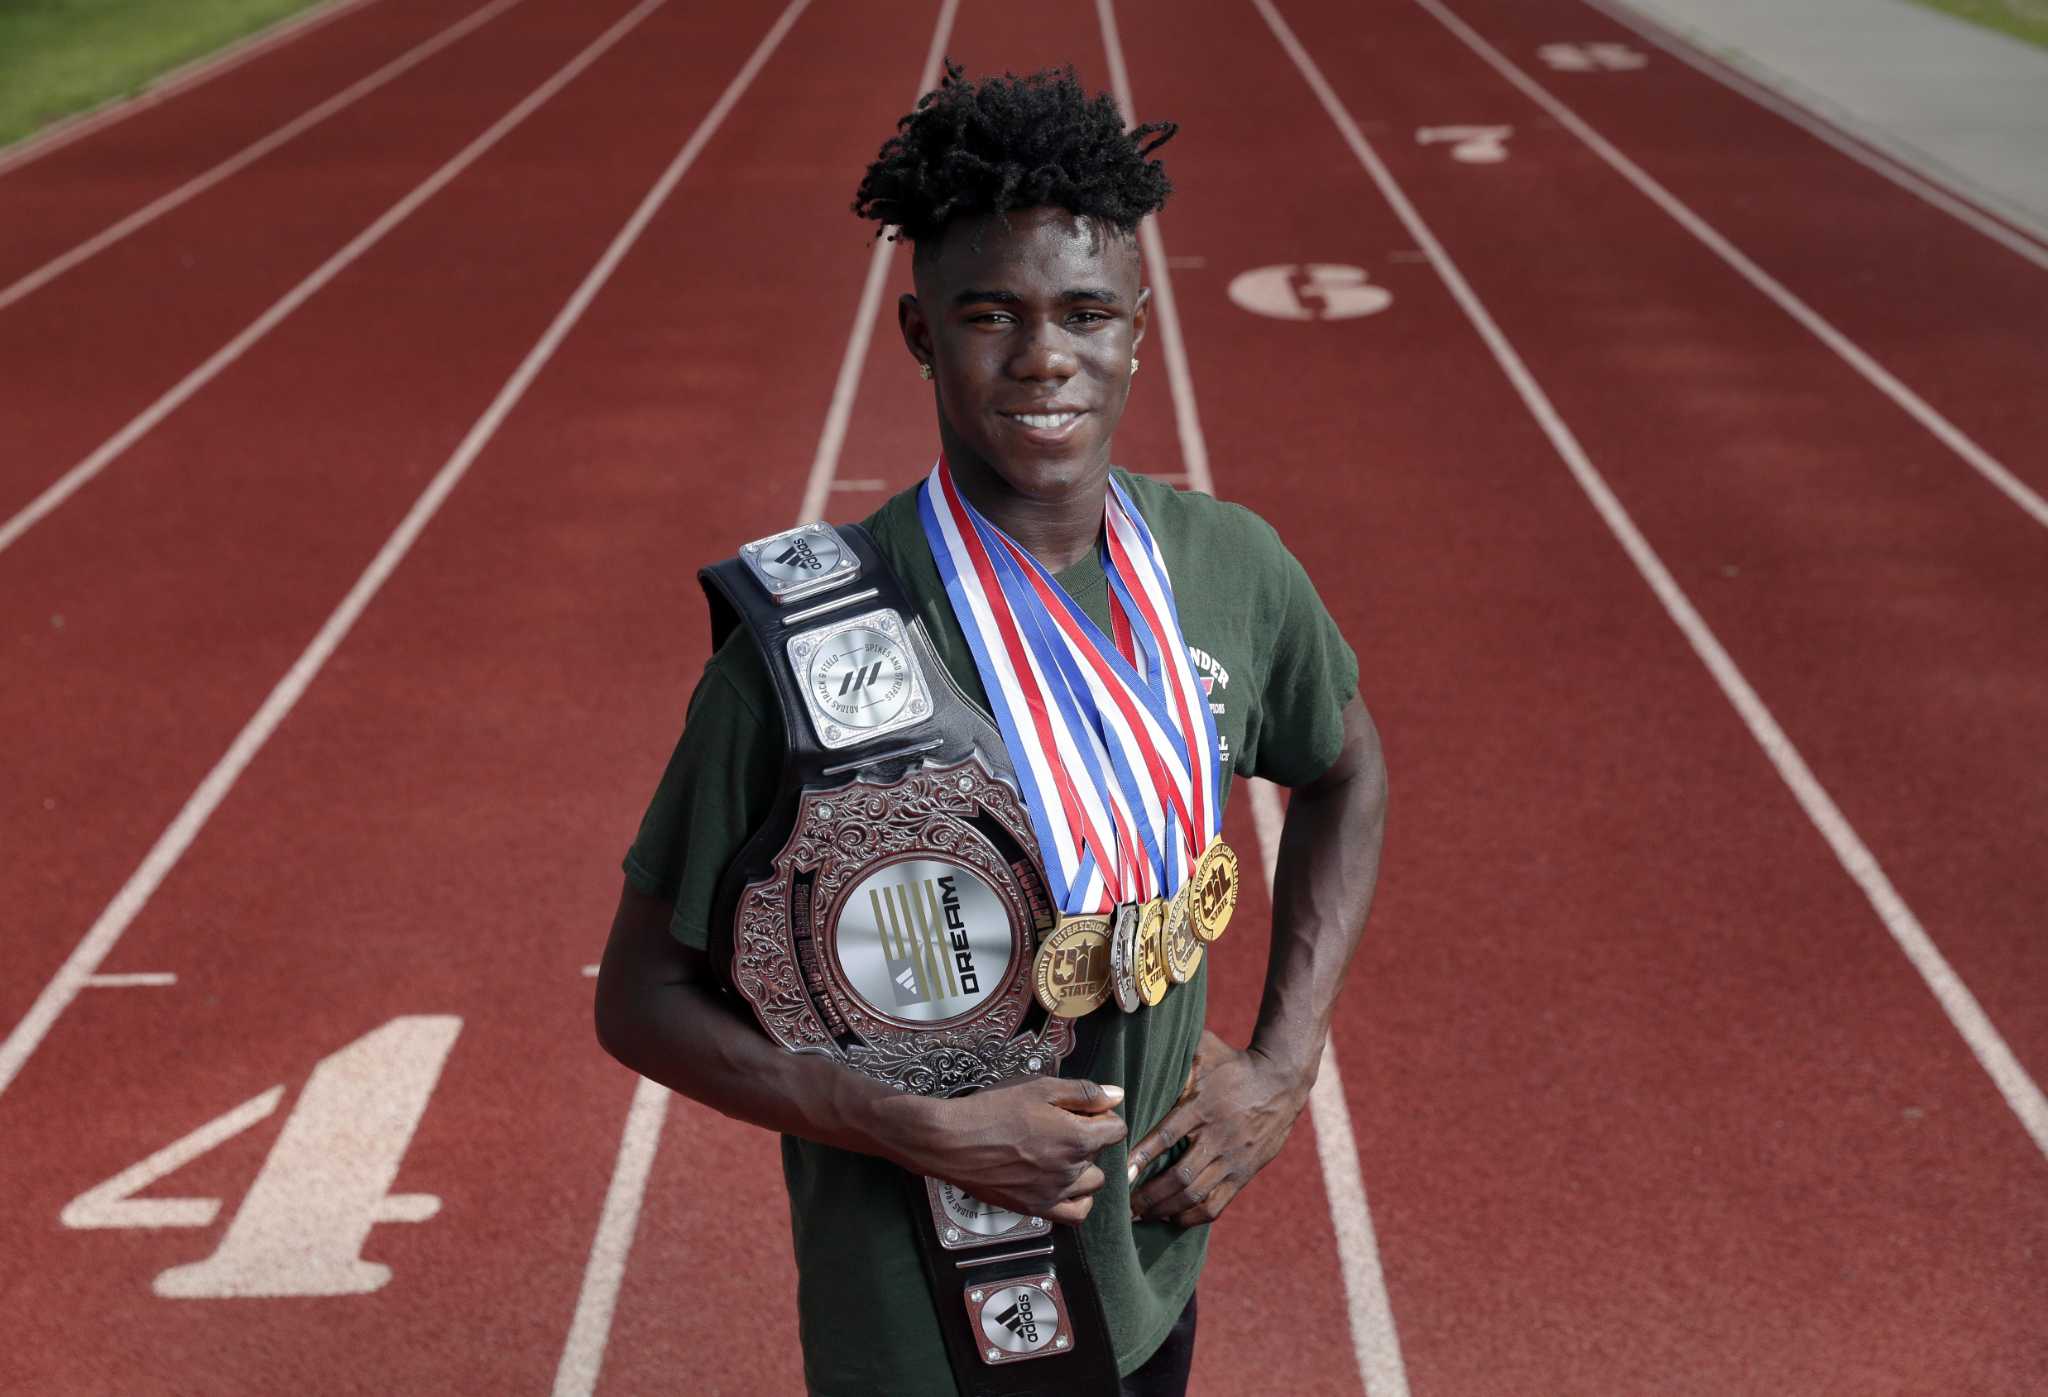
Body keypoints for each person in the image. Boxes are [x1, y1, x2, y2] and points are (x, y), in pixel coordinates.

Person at [595, 61, 1387, 1397]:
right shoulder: (803, 648)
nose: (1043, 358)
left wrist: (1279, 1065)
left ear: (1141, 323)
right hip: (920, 1314)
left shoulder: (1230, 569)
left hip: (1146, 1270)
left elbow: (1347, 767)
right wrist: (910, 1124)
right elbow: (638, 998)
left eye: (1086, 312)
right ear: (918, 333)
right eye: (989, 315)